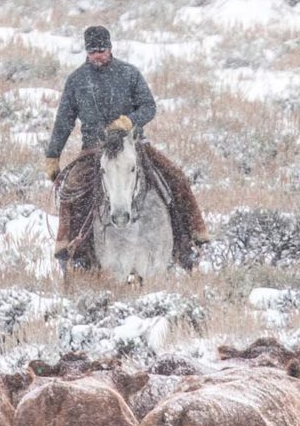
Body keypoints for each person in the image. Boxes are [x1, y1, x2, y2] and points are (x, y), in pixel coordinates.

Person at [44, 25, 209, 269]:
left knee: (176, 178)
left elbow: (149, 106)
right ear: (86, 52)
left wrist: (128, 121)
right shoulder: (76, 81)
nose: (98, 55)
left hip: (134, 145)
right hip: (93, 149)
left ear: (110, 48)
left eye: (102, 50)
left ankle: (190, 240)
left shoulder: (129, 74)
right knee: (71, 190)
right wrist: (53, 155)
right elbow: (64, 121)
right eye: (93, 51)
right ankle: (70, 251)